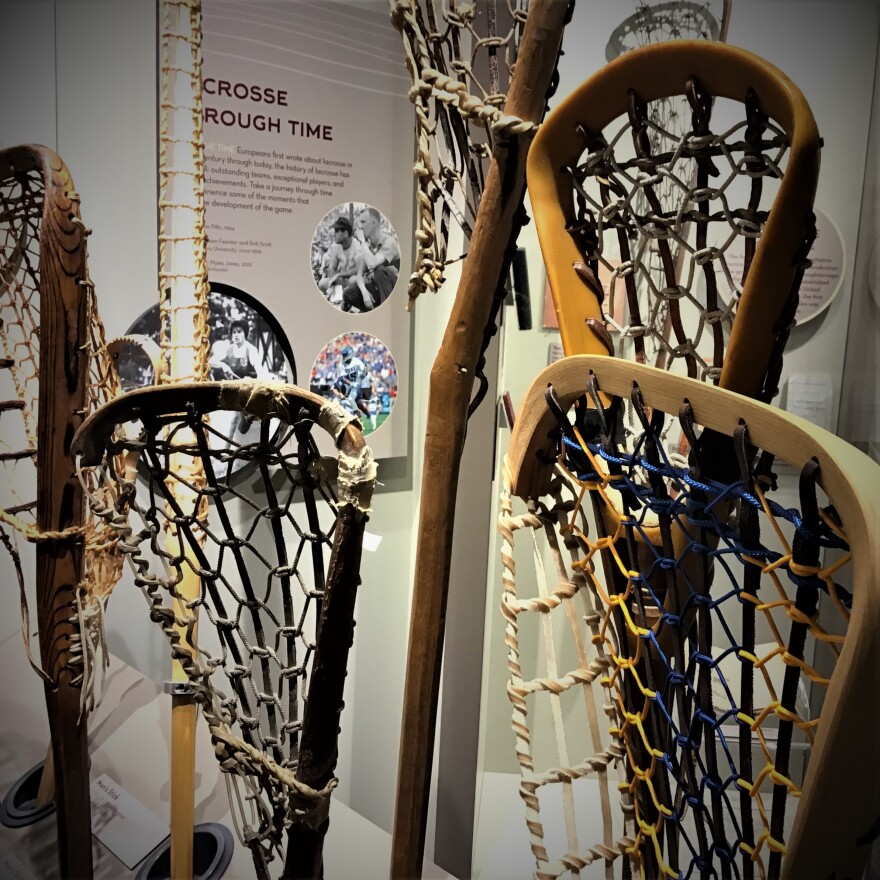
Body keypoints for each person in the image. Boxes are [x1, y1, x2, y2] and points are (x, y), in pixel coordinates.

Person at [342, 206, 401, 313]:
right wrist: (364, 293)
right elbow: (360, 274)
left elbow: (372, 264)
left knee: (379, 269)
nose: (359, 226)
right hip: (378, 290)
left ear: (374, 223)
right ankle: (372, 309)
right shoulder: (368, 246)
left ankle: (385, 312)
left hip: (394, 293)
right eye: (360, 222)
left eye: (363, 222)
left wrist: (362, 241)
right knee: (348, 293)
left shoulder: (389, 242)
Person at [317, 216, 362, 307]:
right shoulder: (335, 247)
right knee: (322, 283)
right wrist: (332, 285)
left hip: (354, 282)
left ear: (345, 233)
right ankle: (339, 297)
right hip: (341, 282)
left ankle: (347, 300)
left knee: (353, 280)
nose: (334, 234)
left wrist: (339, 274)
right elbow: (332, 268)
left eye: (337, 231)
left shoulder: (357, 245)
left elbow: (359, 269)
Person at [333, 345, 374, 429]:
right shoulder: (342, 364)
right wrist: (350, 383)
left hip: (357, 384)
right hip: (348, 385)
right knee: (359, 404)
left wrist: (365, 371)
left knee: (351, 400)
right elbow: (342, 378)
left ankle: (359, 419)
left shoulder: (357, 361)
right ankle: (367, 414)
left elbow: (364, 373)